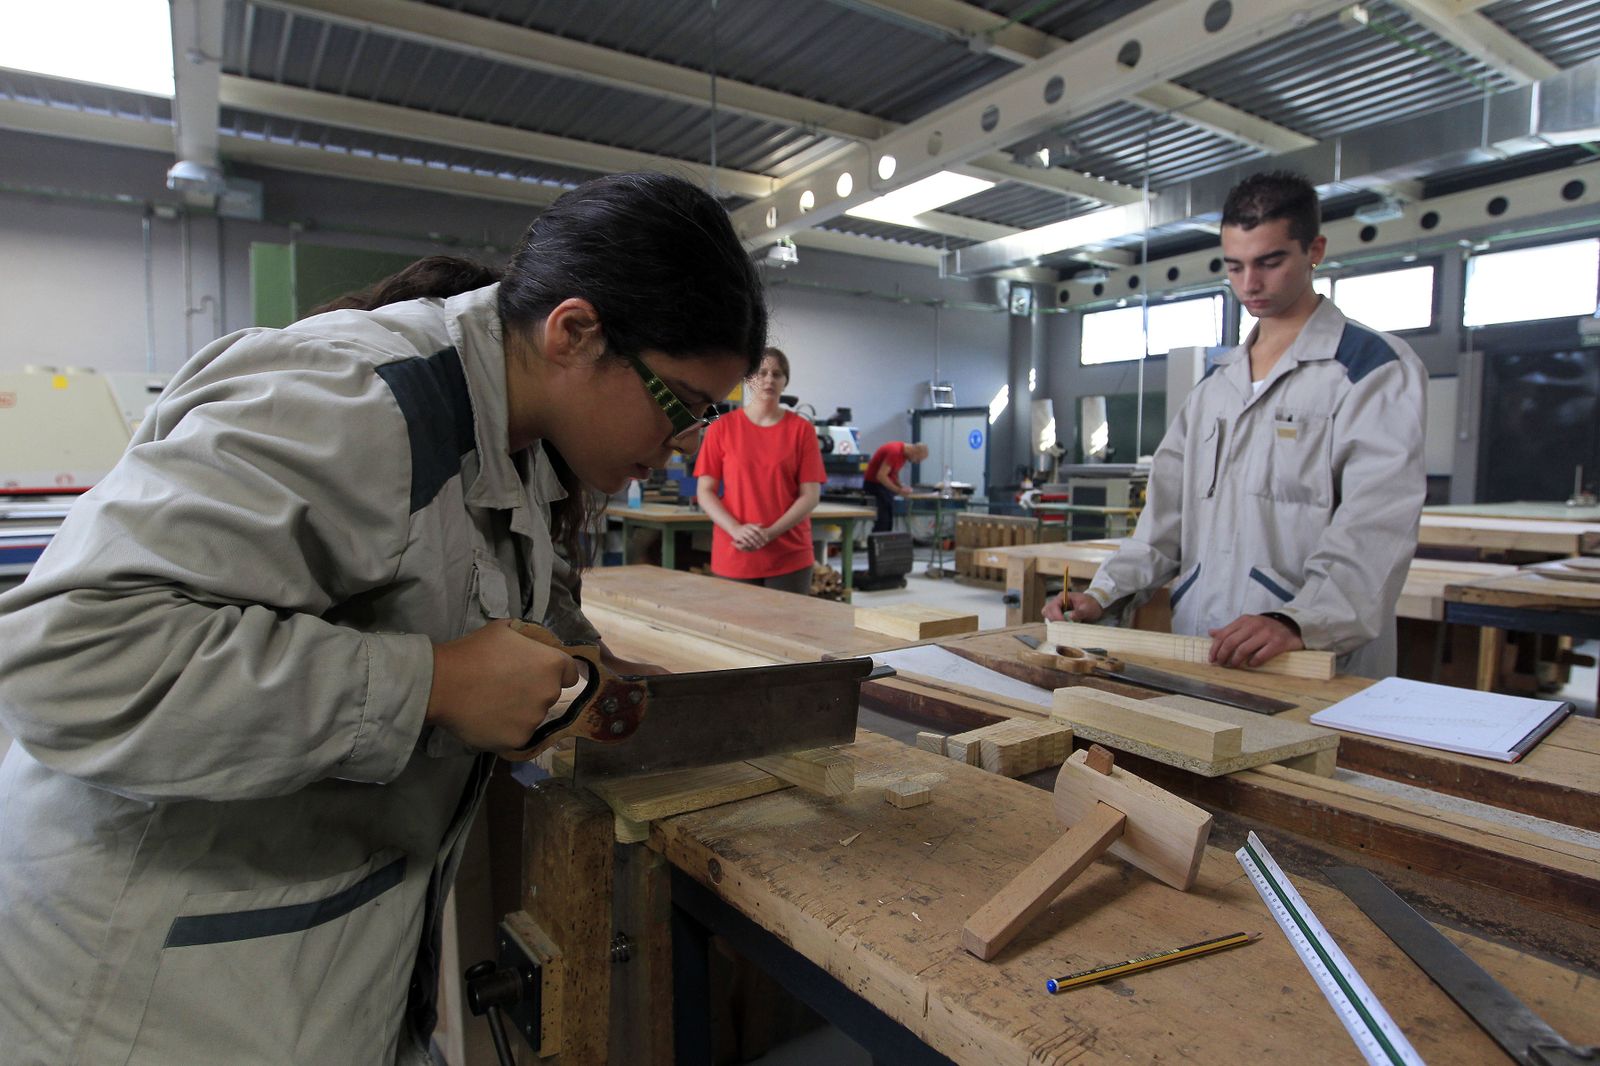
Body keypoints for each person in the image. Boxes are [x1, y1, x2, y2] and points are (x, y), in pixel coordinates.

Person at [0, 172, 766, 1064]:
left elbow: (480, 581)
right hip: (137, 1004)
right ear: (574, 332)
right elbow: (68, 658)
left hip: (301, 983)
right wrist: (432, 685)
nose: (688, 444)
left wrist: (590, 667)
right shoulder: (357, 398)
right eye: (681, 405)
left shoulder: (516, 447)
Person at [1045, 170, 1425, 678]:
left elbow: (1375, 529)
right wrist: (1104, 594)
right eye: (1235, 266)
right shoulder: (1214, 389)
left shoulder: (1372, 371)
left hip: (1312, 659)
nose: (1250, 284)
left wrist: (1297, 621)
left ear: (1314, 249)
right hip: (1205, 651)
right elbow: (1160, 527)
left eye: (1270, 262)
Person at [695, 347, 826, 595]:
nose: (769, 379)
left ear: (785, 382)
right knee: (734, 629)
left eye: (777, 374)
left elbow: (810, 495)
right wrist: (736, 529)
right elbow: (705, 491)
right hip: (736, 550)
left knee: (789, 631)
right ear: (748, 379)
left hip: (790, 554)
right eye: (761, 372)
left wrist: (768, 533)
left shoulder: (802, 430)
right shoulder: (721, 429)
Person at [863, 439, 930, 532]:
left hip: (881, 484)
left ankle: (884, 539)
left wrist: (901, 486)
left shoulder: (903, 455)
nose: (916, 463)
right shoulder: (895, 452)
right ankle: (878, 541)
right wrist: (898, 491)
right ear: (914, 451)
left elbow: (893, 474)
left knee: (889, 516)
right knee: (884, 518)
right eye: (918, 459)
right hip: (874, 484)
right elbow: (881, 476)